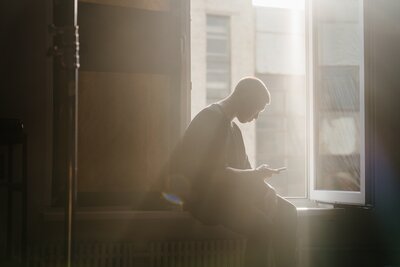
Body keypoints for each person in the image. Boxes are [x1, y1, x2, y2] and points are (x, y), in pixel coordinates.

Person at [164, 77, 297, 267]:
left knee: (288, 212)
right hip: (206, 199)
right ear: (244, 96)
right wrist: (256, 175)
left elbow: (246, 172)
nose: (256, 116)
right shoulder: (209, 119)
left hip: (229, 194)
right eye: (257, 108)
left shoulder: (234, 129)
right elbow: (213, 176)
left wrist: (268, 190)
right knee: (262, 227)